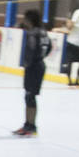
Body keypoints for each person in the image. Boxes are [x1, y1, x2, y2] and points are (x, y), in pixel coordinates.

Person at [14, 9, 52, 137]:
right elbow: (49, 47)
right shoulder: (43, 32)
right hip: (39, 65)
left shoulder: (32, 33)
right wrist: (41, 57)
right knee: (30, 96)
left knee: (30, 96)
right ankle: (28, 125)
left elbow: (31, 48)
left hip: (33, 67)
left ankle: (31, 126)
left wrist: (27, 63)